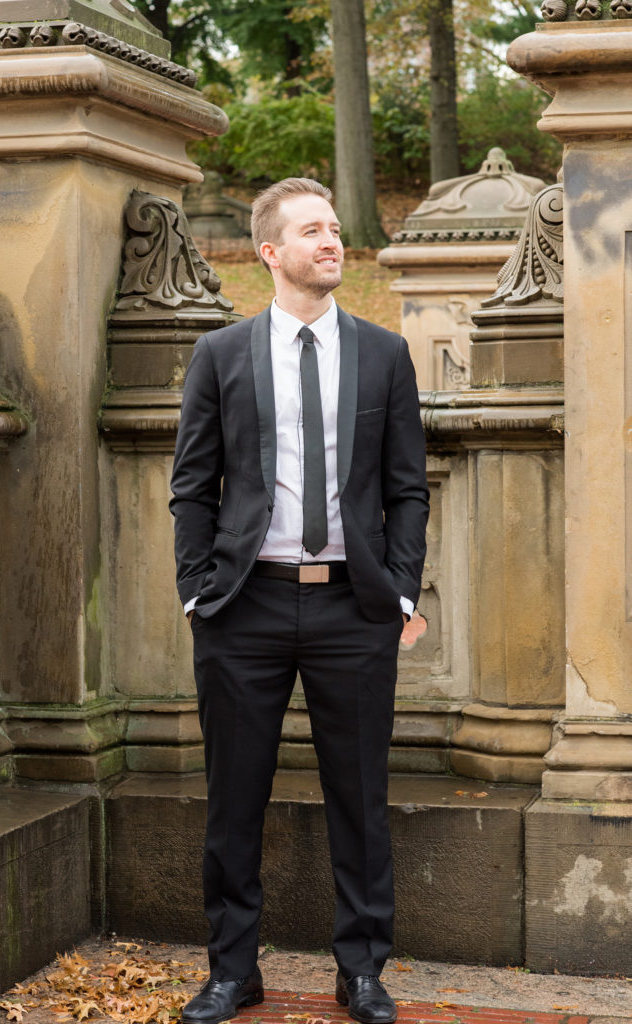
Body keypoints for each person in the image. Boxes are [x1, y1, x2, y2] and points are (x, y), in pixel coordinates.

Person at [170, 177, 429, 1024]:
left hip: (352, 611)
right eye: (313, 231)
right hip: (243, 608)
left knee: (361, 797)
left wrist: (397, 590)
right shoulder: (221, 355)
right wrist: (195, 593)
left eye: (337, 228)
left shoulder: (385, 354)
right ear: (270, 252)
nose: (333, 241)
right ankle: (232, 971)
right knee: (232, 798)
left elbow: (407, 489)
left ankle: (361, 970)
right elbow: (192, 487)